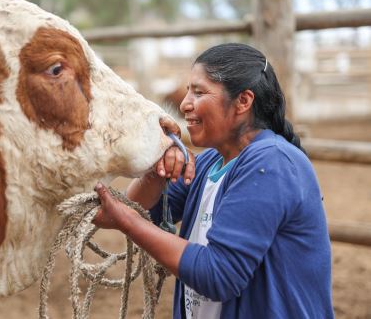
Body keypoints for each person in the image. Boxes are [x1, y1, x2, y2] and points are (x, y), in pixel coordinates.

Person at [93, 43, 334, 319]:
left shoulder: (271, 164)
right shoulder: (210, 162)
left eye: (199, 92)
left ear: (243, 101)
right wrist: (155, 173)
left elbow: (219, 275)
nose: (184, 103)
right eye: (187, 91)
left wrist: (128, 221)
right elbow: (131, 210)